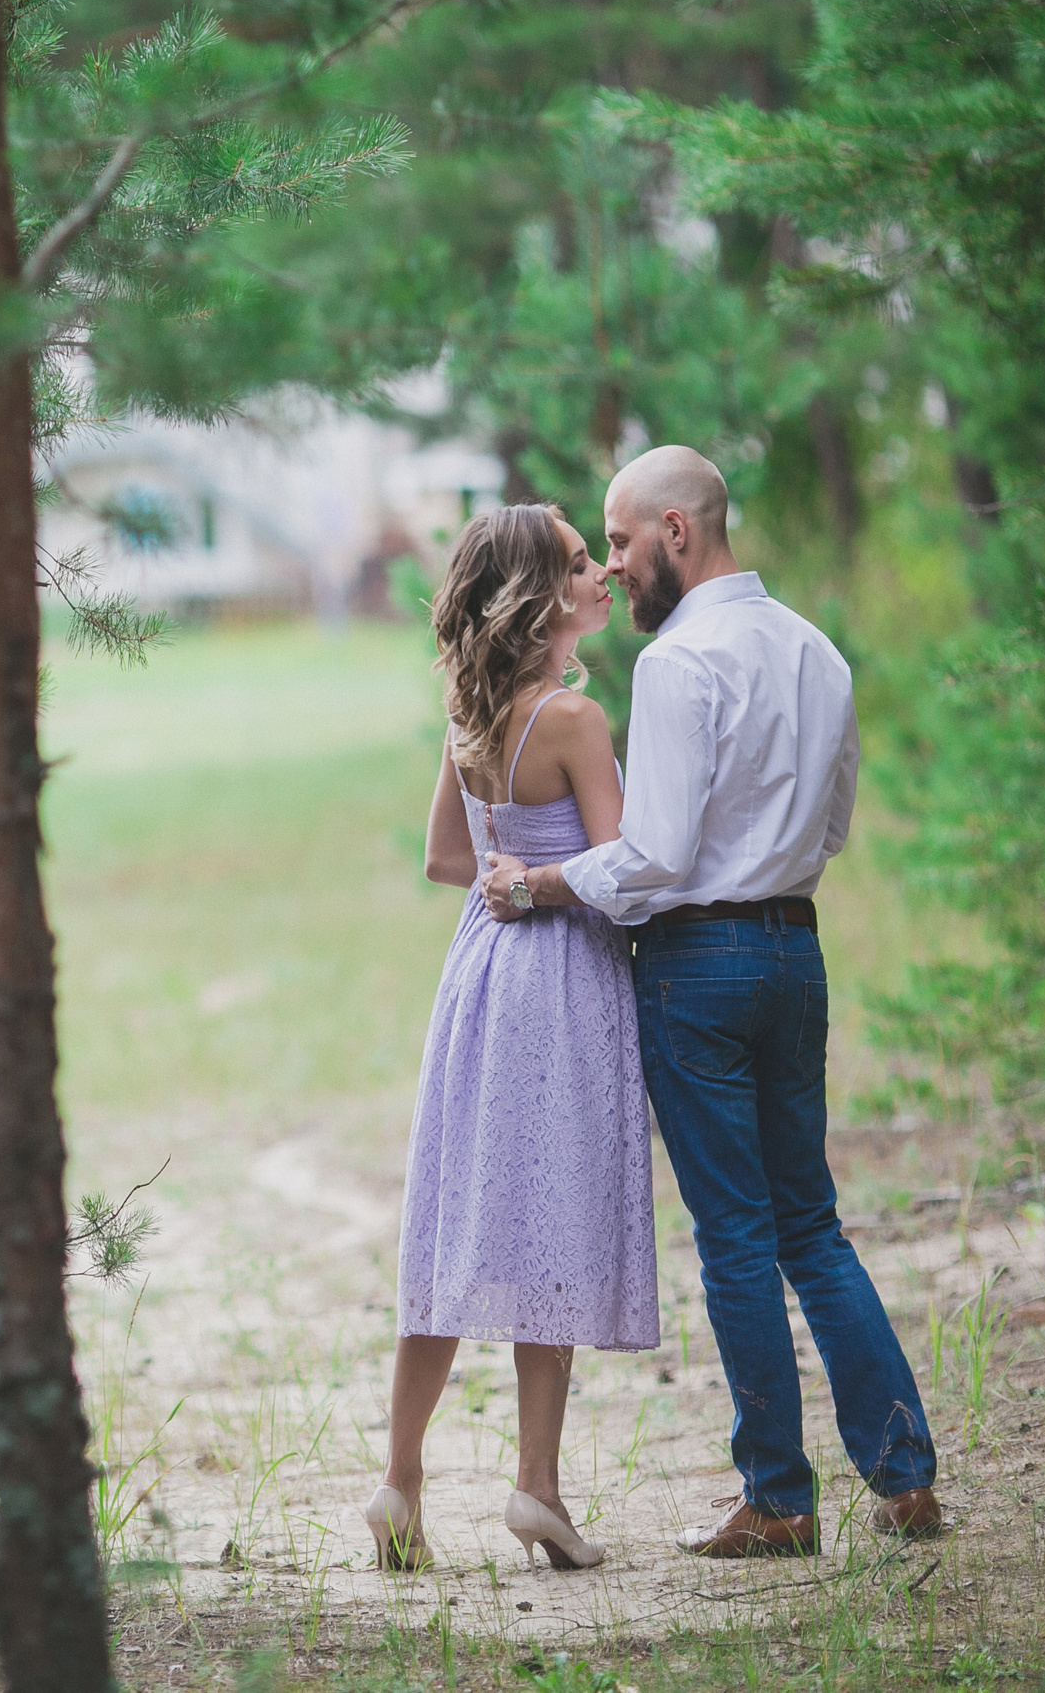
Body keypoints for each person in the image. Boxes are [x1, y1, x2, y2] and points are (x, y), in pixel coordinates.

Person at [481, 445, 943, 1558]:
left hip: (697, 966)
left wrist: (537, 885)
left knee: (736, 1235)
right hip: (794, 952)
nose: (614, 567)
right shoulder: (816, 650)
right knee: (812, 1226)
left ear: (676, 532)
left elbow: (656, 854)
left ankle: (778, 1498)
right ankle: (905, 1479)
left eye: (622, 542)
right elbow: (834, 822)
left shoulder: (677, 662)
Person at [366, 502, 658, 1575]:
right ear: (539, 597)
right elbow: (616, 872)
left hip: (480, 974)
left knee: (459, 1219)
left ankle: (399, 1479)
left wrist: (506, 869)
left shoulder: (473, 712)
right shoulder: (573, 719)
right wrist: (542, 881)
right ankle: (537, 1484)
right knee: (552, 1221)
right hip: (562, 975)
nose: (600, 576)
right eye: (580, 564)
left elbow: (446, 859)